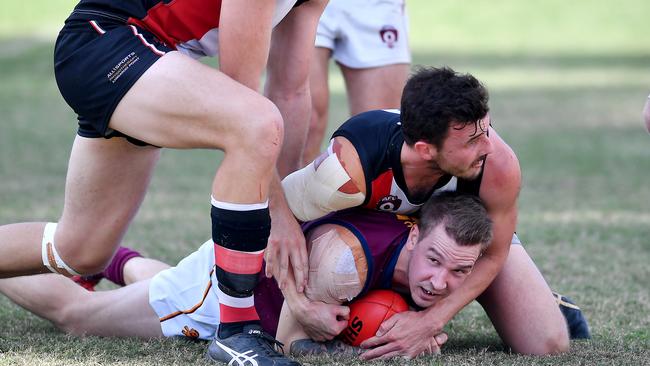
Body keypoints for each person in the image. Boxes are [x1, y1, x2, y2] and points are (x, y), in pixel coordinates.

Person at [0, 1, 327, 365]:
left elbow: (290, 91)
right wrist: (277, 216)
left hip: (149, 54)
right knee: (256, 123)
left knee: (79, 250)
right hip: (109, 41)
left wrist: (296, 213)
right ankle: (237, 331)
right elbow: (246, 101)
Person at [278, 66, 586, 359]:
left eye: (487, 131)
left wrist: (429, 322)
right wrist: (300, 304)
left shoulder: (498, 165)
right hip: (378, 237)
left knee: (546, 343)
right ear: (426, 150)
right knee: (337, 260)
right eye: (473, 140)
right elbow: (275, 213)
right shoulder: (348, 168)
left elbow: (493, 254)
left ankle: (551, 302)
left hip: (449, 246)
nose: (488, 148)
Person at [0, 193, 492, 360]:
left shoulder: (423, 242)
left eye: (459, 272)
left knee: (169, 287)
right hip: (223, 294)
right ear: (412, 236)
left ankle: (117, 262)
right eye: (434, 260)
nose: (441, 282)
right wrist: (362, 345)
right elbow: (294, 344)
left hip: (234, 274)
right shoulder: (347, 260)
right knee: (78, 316)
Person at [302, 0, 411, 164]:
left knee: (381, 136)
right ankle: (292, 189)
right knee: (306, 125)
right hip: (304, 4)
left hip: (372, 6)